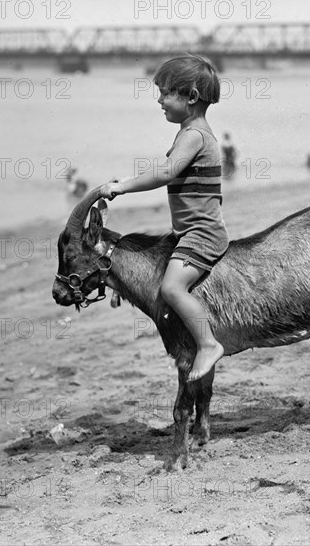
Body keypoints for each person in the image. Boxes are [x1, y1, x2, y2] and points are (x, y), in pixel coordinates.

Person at [101, 54, 228, 382]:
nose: (159, 99)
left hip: (203, 234)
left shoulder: (195, 136)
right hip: (188, 231)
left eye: (166, 92)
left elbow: (165, 172)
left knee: (171, 288)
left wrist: (123, 187)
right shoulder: (190, 132)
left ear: (191, 97)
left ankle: (207, 343)